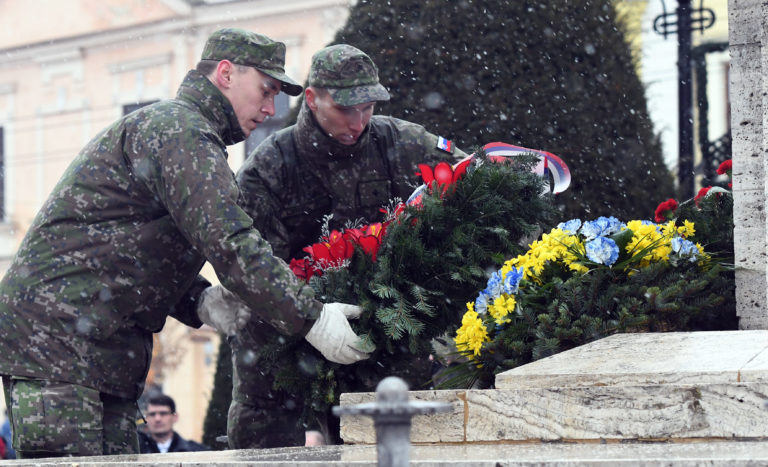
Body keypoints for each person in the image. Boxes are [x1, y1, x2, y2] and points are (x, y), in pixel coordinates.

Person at [0, 29, 369, 459]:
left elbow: (125, 248)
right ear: (227, 74)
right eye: (266, 91)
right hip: (59, 341)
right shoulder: (180, 131)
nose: (270, 108)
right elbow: (231, 243)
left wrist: (198, 301)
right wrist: (314, 319)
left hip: (90, 345)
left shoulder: (184, 133)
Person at [227, 44, 467, 449]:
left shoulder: (403, 143)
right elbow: (257, 272)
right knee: (264, 439)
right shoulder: (268, 170)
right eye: (345, 108)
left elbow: (470, 181)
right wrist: (313, 319)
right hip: (285, 329)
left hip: (386, 327)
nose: (358, 121)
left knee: (408, 440)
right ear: (312, 97)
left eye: (368, 107)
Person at [137, 394, 208, 453]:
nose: (157, 419)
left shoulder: (196, 451)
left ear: (175, 417)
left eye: (163, 413)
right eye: (152, 414)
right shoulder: (135, 450)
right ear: (146, 418)